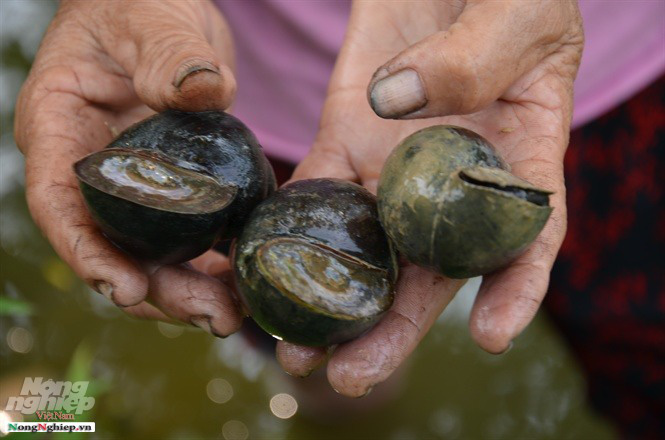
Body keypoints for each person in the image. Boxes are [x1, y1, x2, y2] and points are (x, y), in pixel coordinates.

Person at [14, 0, 663, 436]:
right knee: (314, 353)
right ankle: (346, 417)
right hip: (236, 79)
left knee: (641, 338)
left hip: (565, 67)